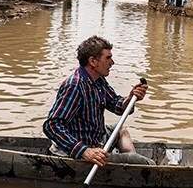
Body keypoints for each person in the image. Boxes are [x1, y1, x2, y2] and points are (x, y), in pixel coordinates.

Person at [43, 35, 153, 165]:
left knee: (121, 130)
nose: (112, 63)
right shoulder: (75, 86)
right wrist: (85, 151)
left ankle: (128, 163)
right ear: (93, 61)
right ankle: (133, 163)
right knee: (143, 162)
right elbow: (51, 126)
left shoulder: (98, 81)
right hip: (75, 150)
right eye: (108, 58)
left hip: (95, 138)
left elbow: (115, 104)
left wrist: (131, 99)